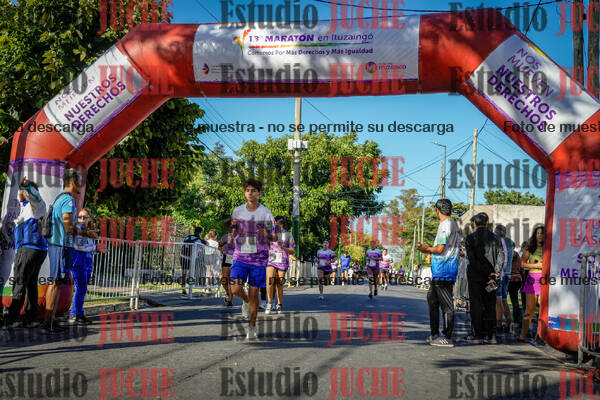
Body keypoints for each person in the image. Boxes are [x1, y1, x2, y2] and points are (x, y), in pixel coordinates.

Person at [229, 178, 277, 339]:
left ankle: (252, 326)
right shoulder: (237, 211)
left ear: (259, 193)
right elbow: (234, 229)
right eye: (247, 190)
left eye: (253, 191)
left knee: (254, 293)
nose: (250, 193)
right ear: (245, 193)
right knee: (235, 288)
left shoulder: (266, 213)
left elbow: (274, 237)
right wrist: (233, 236)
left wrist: (266, 234)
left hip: (259, 259)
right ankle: (246, 301)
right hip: (240, 256)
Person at [418, 199, 461, 348]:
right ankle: (435, 334)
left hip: (444, 270)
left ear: (437, 211)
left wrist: (427, 249)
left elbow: (440, 248)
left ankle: (447, 336)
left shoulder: (445, 224)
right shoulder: (454, 223)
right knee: (432, 300)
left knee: (447, 305)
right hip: (442, 270)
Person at [5, 178, 47, 329]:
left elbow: (35, 196)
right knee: (30, 284)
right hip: (36, 249)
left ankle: (12, 319)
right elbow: (18, 223)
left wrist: (27, 186)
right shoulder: (26, 209)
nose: (18, 194)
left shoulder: (36, 205)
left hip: (29, 249)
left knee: (20, 282)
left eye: (20, 191)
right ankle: (31, 318)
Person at [45, 169, 81, 333]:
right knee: (55, 283)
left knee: (57, 283)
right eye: (79, 181)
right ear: (73, 181)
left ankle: (50, 321)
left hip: (57, 245)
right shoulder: (68, 200)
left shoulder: (60, 198)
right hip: (61, 245)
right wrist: (85, 232)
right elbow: (68, 226)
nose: (81, 185)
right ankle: (48, 323)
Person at [464, 212, 504, 345]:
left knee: (476, 304)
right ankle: (491, 335)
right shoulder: (496, 238)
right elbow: (501, 257)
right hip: (491, 279)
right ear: (487, 223)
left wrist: (488, 273)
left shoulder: (470, 238)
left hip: (475, 277)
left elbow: (472, 259)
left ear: (475, 224)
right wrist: (495, 273)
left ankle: (478, 335)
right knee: (490, 305)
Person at [68, 208, 97, 325]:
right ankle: (75, 314)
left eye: (84, 217)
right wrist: (95, 248)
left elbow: (90, 247)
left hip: (87, 263)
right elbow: (78, 246)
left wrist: (97, 250)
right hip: (78, 263)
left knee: (83, 289)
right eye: (80, 217)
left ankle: (78, 313)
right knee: (80, 289)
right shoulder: (78, 229)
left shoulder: (88, 231)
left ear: (89, 218)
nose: (82, 219)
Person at [519, 226, 545, 342]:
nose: (540, 235)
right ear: (535, 235)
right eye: (538, 233)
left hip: (546, 280)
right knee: (529, 310)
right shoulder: (530, 248)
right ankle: (522, 336)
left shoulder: (549, 248)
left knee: (544, 311)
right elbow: (522, 264)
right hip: (533, 279)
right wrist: (536, 265)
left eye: (542, 233)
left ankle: (541, 337)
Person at [265, 216, 295, 314]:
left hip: (283, 261)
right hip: (272, 260)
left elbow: (292, 251)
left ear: (283, 224)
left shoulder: (288, 235)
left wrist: (283, 248)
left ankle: (279, 304)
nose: (278, 224)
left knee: (279, 283)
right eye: (276, 222)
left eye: (280, 222)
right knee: (269, 281)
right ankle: (269, 302)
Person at [494, 224, 515, 335]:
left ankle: (498, 323)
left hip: (500, 274)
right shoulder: (510, 242)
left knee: (498, 299)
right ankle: (508, 322)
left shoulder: (498, 242)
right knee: (504, 299)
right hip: (508, 274)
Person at [180, 227, 206, 296]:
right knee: (191, 273)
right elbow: (206, 244)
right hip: (191, 258)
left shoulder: (188, 237)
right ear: (200, 233)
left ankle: (183, 288)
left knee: (184, 273)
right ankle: (190, 288)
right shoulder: (199, 240)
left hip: (183, 256)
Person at [508, 249, 523, 335]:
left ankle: (507, 321)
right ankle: (516, 321)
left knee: (502, 300)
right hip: (518, 278)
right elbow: (521, 268)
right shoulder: (517, 255)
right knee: (515, 301)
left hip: (510, 278)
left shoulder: (507, 254)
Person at [218, 225, 234, 307]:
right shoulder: (225, 236)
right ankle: (228, 292)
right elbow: (219, 246)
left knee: (231, 279)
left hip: (237, 258)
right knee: (224, 278)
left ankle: (230, 300)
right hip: (227, 257)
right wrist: (222, 248)